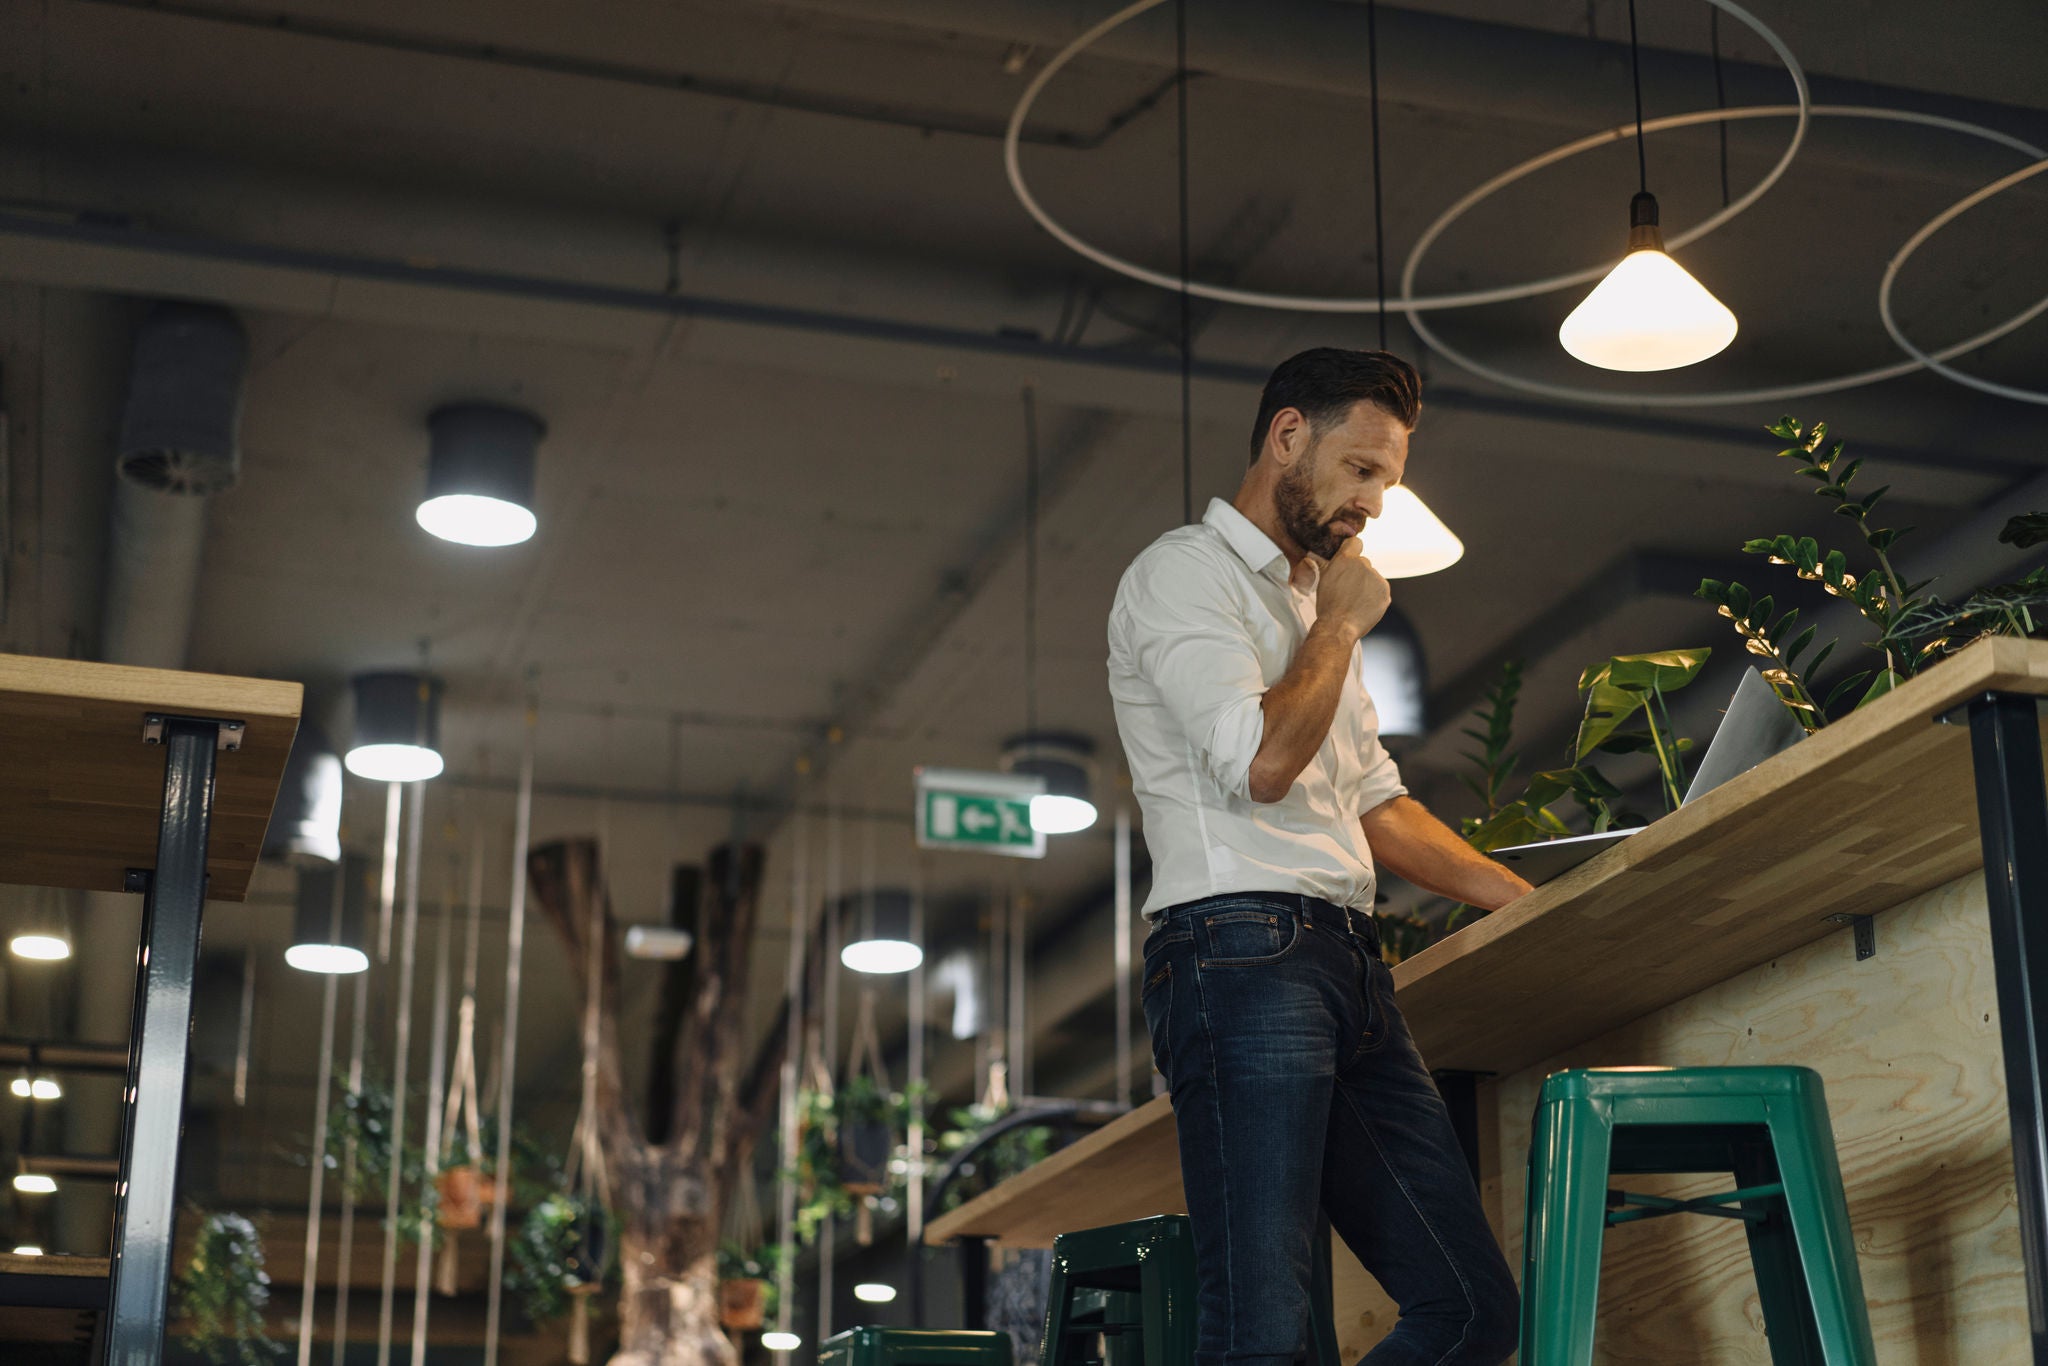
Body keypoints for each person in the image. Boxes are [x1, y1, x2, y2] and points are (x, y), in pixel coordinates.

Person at [1107, 347, 1531, 1366]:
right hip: (1236, 951)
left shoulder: (1307, 612)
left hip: (1346, 966)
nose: (1374, 505)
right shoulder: (1185, 575)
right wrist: (1341, 624)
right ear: (1286, 435)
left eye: (1384, 478)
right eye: (1360, 470)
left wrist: (1527, 900)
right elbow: (1259, 761)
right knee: (1263, 1330)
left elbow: (1374, 804)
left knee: (1469, 1309)